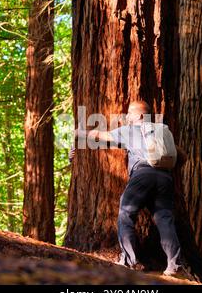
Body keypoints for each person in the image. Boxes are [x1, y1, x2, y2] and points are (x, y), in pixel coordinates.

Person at [73, 101, 188, 278]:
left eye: (129, 113)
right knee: (165, 219)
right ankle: (174, 265)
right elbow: (182, 156)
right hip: (165, 178)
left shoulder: (129, 131)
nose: (126, 117)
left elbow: (99, 135)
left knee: (126, 214)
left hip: (142, 175)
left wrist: (78, 133)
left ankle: (129, 261)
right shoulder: (162, 130)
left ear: (140, 116)